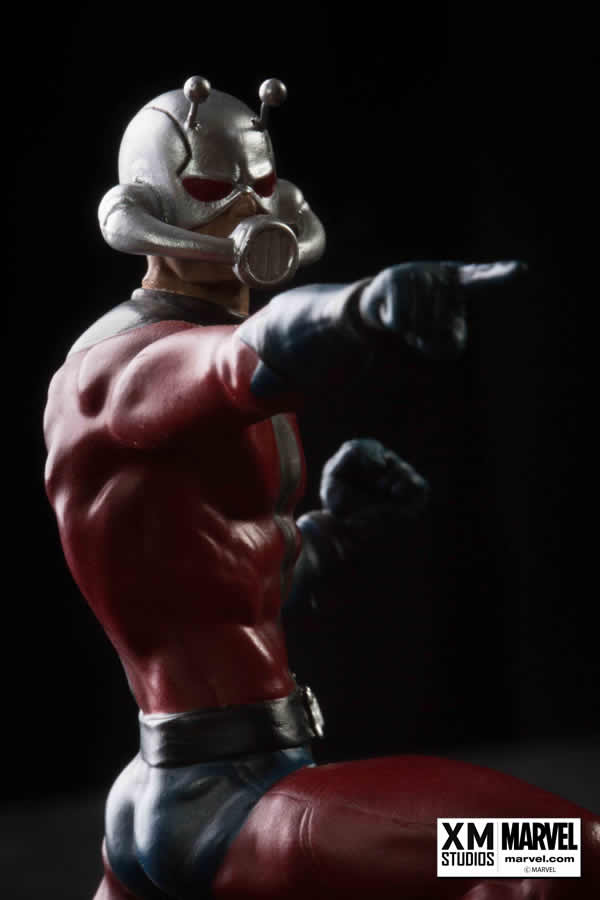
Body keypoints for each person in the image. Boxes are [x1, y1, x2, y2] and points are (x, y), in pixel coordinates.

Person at [44, 76, 599, 900]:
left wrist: (332, 532)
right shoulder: (123, 370)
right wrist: (361, 307)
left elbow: (216, 586)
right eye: (214, 188)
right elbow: (243, 359)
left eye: (260, 184)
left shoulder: (195, 358)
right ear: (150, 210)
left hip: (193, 795)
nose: (248, 210)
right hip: (230, 803)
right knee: (564, 853)